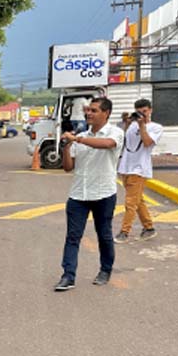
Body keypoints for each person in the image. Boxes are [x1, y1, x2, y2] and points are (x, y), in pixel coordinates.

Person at [55, 97, 124, 291]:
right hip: (78, 194)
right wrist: (67, 147)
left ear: (106, 113)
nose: (89, 114)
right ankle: (68, 276)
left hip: (103, 193)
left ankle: (105, 270)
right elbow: (68, 168)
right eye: (88, 110)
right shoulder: (81, 136)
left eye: (94, 110)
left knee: (104, 235)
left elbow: (107, 144)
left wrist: (76, 139)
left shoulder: (115, 133)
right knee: (72, 237)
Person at [116, 99, 163, 243]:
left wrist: (142, 125)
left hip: (140, 169)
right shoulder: (132, 125)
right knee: (138, 200)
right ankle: (148, 228)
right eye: (139, 111)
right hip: (126, 167)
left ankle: (124, 232)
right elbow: (125, 141)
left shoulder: (156, 127)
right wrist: (127, 123)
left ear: (150, 110)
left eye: (145, 111)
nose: (142, 114)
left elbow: (148, 143)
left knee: (130, 202)